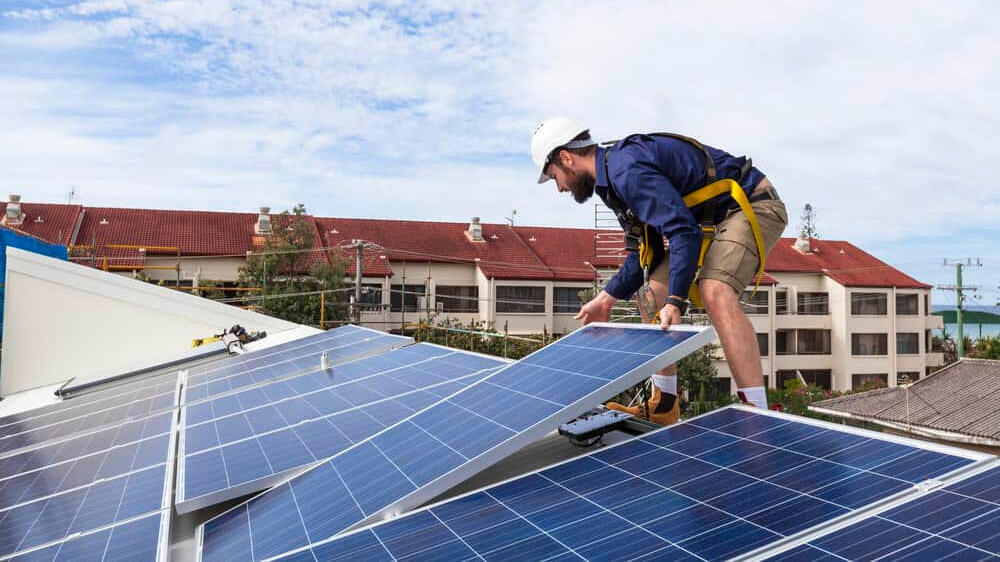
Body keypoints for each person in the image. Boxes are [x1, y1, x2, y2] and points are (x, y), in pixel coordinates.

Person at [530, 117, 788, 424]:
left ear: (566, 157)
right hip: (707, 220)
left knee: (714, 290)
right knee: (651, 294)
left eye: (554, 176)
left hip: (751, 204)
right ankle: (665, 404)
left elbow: (683, 232)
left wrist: (676, 301)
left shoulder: (626, 170)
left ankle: (757, 416)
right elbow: (644, 254)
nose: (559, 188)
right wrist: (606, 299)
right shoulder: (611, 182)